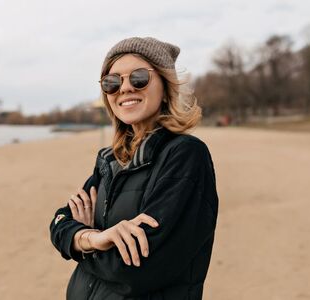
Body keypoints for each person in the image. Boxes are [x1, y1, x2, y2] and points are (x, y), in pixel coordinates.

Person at [49, 37, 219, 300]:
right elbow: (59, 222)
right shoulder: (110, 160)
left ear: (165, 86)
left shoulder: (186, 155)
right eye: (112, 82)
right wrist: (95, 238)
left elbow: (134, 269)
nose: (125, 88)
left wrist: (79, 244)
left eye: (139, 78)